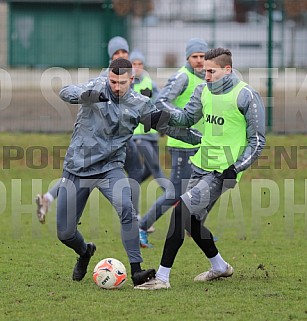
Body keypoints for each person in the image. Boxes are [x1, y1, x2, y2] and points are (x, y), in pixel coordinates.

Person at [55, 57, 201, 285]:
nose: (116, 87)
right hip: (77, 168)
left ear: (131, 79)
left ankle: (136, 271)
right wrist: (85, 96)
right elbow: (66, 91)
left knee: (127, 208)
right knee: (65, 233)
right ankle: (85, 252)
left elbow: (168, 127)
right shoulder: (96, 87)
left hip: (109, 169)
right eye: (112, 81)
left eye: (121, 82)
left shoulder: (140, 104)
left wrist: (201, 140)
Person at [134, 48, 266, 290]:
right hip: (201, 164)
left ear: (227, 70)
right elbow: (185, 119)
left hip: (223, 172)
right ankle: (219, 266)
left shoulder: (246, 95)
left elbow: (257, 141)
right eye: (205, 71)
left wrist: (235, 168)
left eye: (211, 71)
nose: (206, 75)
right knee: (191, 221)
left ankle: (162, 278)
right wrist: (160, 118)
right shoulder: (202, 90)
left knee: (179, 212)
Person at [35, 36, 130, 223]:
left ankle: (48, 198)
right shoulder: (104, 79)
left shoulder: (133, 72)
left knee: (138, 172)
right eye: (116, 53)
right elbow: (72, 92)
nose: (120, 55)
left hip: (125, 136)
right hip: (102, 142)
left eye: (123, 52)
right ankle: (137, 219)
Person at [138, 38, 208, 247]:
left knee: (207, 188)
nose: (199, 61)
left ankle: (194, 228)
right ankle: (142, 227)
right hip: (181, 145)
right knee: (174, 193)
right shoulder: (182, 77)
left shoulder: (207, 77)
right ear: (188, 57)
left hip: (201, 144)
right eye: (195, 57)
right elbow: (161, 101)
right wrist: (182, 118)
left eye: (202, 57)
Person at [128, 49, 166, 234]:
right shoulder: (126, 84)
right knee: (157, 169)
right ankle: (173, 195)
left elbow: (160, 103)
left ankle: (127, 189)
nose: (136, 67)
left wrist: (162, 125)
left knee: (147, 172)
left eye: (139, 64)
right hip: (138, 137)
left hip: (152, 135)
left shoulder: (150, 82)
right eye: (133, 64)